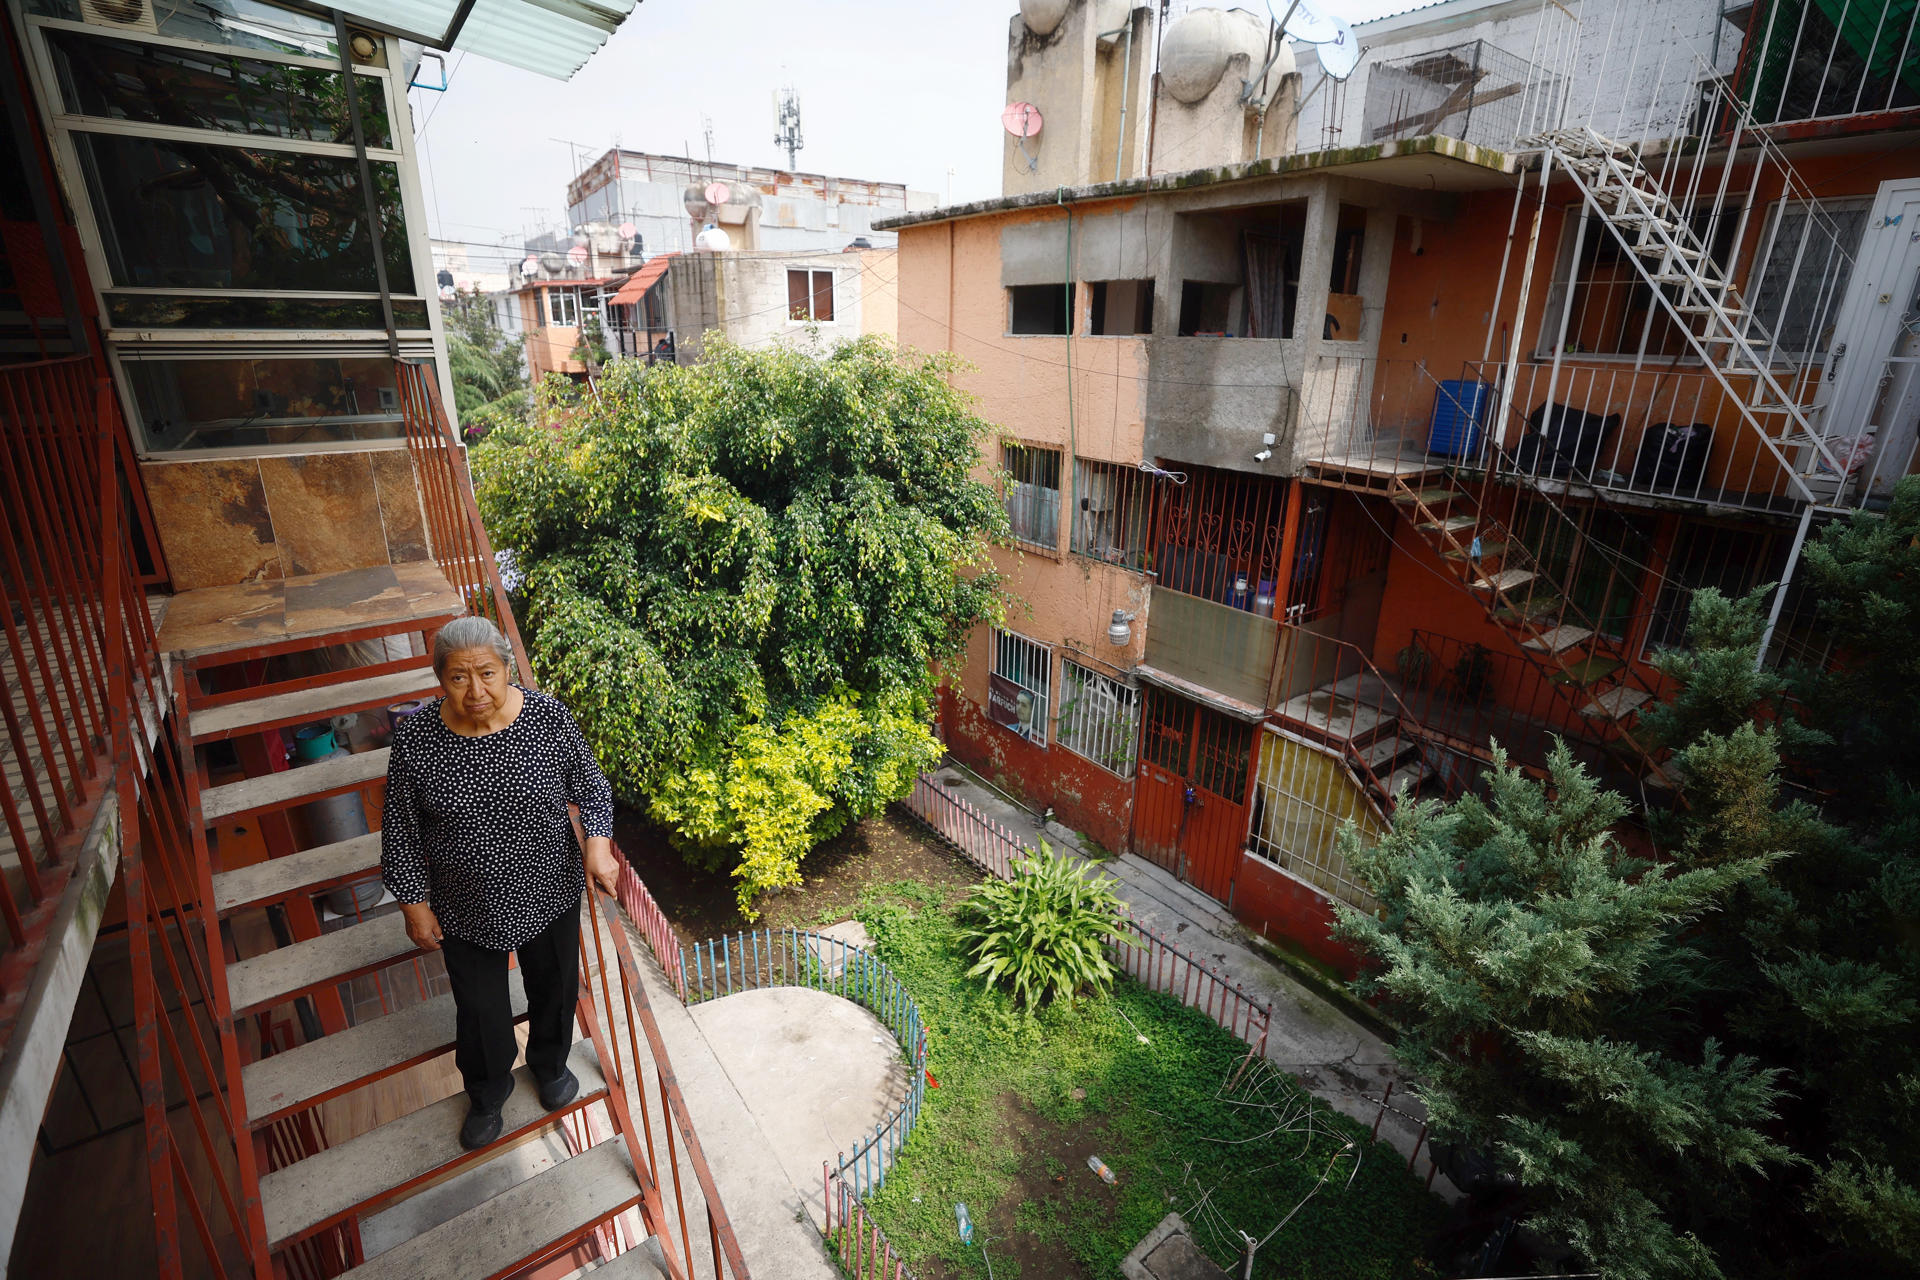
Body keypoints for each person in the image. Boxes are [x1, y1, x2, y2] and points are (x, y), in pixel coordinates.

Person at [380, 615, 621, 1150]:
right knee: (481, 1010)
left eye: (487, 673)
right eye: (458, 678)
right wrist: (413, 903)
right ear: (440, 680)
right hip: (465, 902)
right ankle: (488, 1091)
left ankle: (550, 1064)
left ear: (507, 669)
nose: (475, 691)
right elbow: (400, 828)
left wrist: (598, 845)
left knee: (555, 988)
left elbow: (591, 786)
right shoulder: (417, 739)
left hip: (548, 886)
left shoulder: (547, 718)